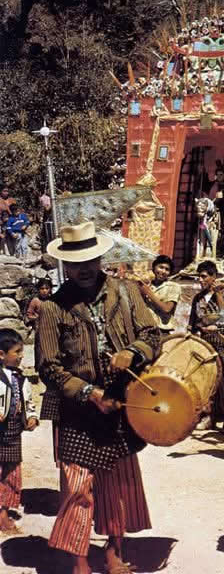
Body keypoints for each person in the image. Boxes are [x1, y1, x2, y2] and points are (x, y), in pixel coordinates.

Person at [37, 221, 161, 574]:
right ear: (66, 265)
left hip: (121, 403)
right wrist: (89, 393)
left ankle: (113, 552)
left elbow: (152, 335)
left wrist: (133, 353)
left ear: (100, 258)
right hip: (77, 410)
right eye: (76, 263)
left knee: (117, 485)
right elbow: (48, 366)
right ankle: (79, 561)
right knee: (77, 486)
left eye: (90, 261)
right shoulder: (53, 308)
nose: (85, 269)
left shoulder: (126, 292)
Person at [0, 328, 39, 532]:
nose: (21, 355)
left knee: (11, 473)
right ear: (2, 354)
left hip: (14, 434)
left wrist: (31, 417)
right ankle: (1, 514)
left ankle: (5, 508)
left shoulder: (21, 379)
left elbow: (28, 402)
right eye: (17, 351)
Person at [189, 260, 224, 434]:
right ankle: (209, 417)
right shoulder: (197, 298)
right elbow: (193, 322)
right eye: (199, 277)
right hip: (205, 343)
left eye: (204, 276)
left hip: (222, 343)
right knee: (208, 381)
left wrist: (218, 294)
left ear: (214, 277)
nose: (201, 280)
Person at [136, 255, 181, 337]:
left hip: (162, 330)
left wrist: (148, 293)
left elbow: (167, 309)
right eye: (161, 267)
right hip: (144, 328)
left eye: (167, 269)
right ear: (154, 268)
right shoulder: (146, 285)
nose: (163, 271)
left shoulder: (173, 286)